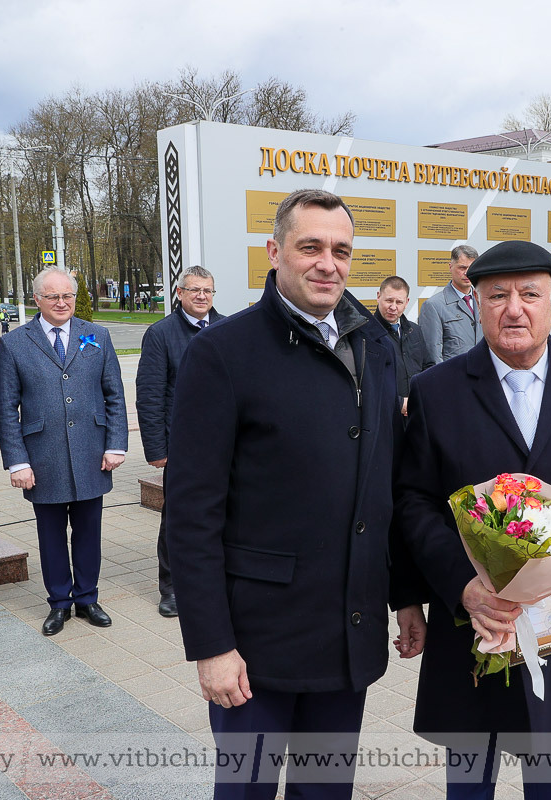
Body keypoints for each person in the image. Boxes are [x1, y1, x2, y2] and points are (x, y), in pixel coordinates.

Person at [165, 189, 422, 799]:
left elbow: (391, 483)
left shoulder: (377, 349)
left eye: (340, 250)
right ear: (274, 251)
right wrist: (212, 645)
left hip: (346, 634)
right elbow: (192, 512)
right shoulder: (222, 354)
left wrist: (407, 595)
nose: (326, 263)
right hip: (257, 645)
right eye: (310, 247)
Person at [395, 240, 551, 800]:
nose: (514, 309)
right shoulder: (436, 392)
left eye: (530, 294)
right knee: (468, 783)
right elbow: (413, 503)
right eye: (497, 296)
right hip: (473, 628)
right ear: (475, 302)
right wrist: (459, 588)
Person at [0, 267, 128, 636]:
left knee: (89, 531)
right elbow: (5, 407)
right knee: (50, 534)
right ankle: (59, 603)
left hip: (92, 452)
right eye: (52, 296)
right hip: (42, 455)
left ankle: (87, 598)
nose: (61, 302)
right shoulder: (15, 343)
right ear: (36, 299)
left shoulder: (96, 335)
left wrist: (116, 444)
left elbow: (114, 393)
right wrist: (17, 461)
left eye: (67, 295)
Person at [136, 266, 225, 618]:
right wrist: (157, 450)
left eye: (208, 290)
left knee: (225, 517)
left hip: (226, 445)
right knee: (178, 520)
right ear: (179, 293)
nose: (202, 296)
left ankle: (216, 583)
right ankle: (171, 588)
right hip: (181, 448)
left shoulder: (228, 328)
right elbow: (150, 394)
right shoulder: (161, 334)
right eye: (194, 290)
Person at [373, 275, 434, 415]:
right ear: (378, 296)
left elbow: (428, 366)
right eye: (389, 300)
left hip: (417, 409)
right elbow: (369, 380)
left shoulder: (415, 331)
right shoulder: (368, 333)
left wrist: (424, 395)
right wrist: (399, 402)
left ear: (406, 302)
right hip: (386, 414)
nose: (393, 307)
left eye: (399, 302)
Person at [419, 245, 480, 364]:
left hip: (484, 375)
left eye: (471, 267)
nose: (467, 273)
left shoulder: (484, 301)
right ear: (450, 267)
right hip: (454, 377)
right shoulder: (433, 306)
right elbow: (433, 354)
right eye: (462, 268)